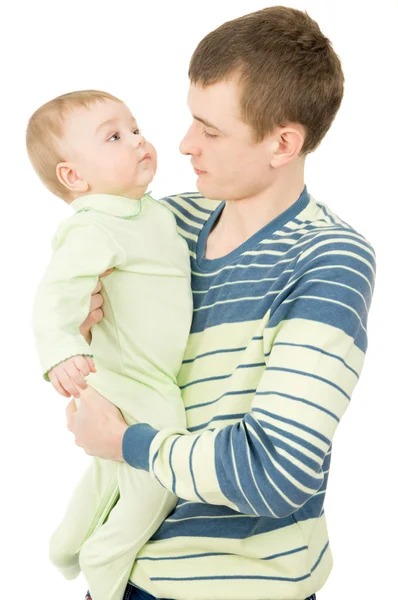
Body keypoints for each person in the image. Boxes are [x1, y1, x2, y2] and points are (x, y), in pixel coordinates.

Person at [66, 6, 376, 600]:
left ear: (283, 143)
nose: (183, 145)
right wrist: (83, 326)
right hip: (118, 568)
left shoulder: (329, 260)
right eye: (190, 121)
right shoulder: (163, 223)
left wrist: (125, 442)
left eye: (211, 131)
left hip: (240, 588)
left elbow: (275, 472)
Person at [27, 90, 193, 600]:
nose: (138, 140)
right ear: (75, 178)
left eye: (136, 128)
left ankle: (67, 543)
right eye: (115, 137)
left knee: (109, 469)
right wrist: (60, 350)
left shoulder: (152, 212)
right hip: (137, 378)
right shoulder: (95, 224)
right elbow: (57, 292)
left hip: (143, 374)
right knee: (162, 472)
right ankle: (105, 557)